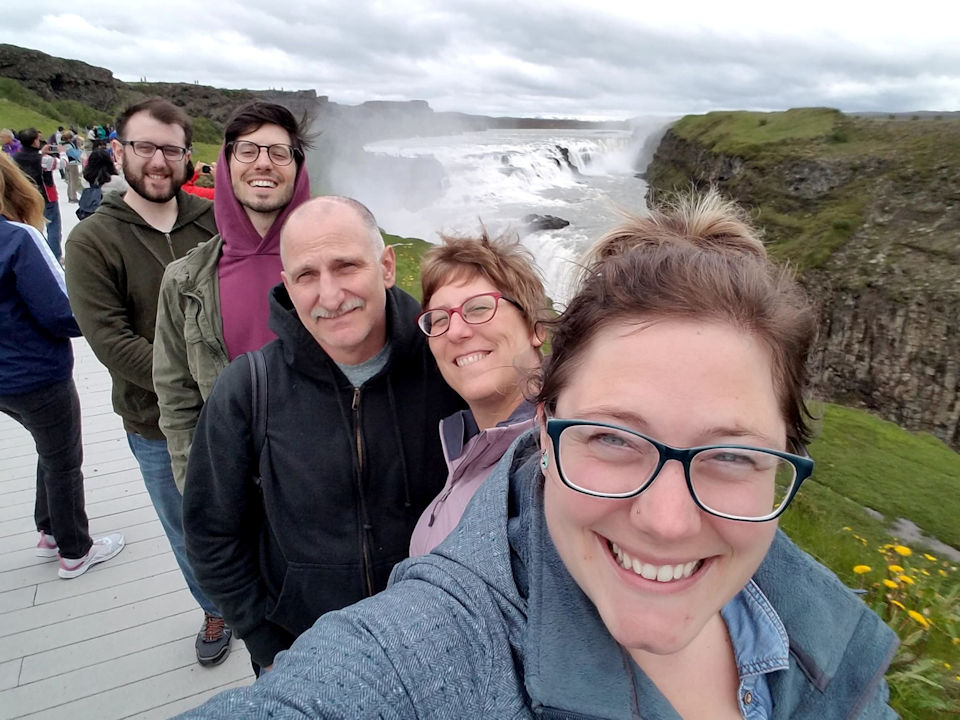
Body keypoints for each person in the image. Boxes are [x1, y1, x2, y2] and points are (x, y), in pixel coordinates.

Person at [179, 192, 897, 719]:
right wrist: (264, 636)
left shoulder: (834, 651)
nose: (670, 522)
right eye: (614, 437)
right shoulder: (450, 628)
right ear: (549, 428)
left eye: (733, 455)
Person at [181, 195, 465, 673]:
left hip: (437, 644)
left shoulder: (446, 367)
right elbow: (212, 532)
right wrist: (266, 643)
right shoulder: (249, 389)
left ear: (387, 266)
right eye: (307, 275)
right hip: (305, 651)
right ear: (287, 286)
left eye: (346, 266)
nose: (330, 296)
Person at [63, 98, 231, 667]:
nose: (158, 161)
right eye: (144, 147)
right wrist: (196, 383)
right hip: (155, 423)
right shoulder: (92, 241)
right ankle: (214, 606)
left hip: (238, 409)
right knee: (189, 526)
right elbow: (109, 342)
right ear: (118, 152)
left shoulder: (213, 219)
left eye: (171, 149)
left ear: (188, 157)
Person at [154, 100, 312, 492]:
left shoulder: (339, 270)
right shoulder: (184, 281)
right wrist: (197, 493)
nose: (263, 163)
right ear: (226, 164)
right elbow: (178, 401)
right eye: (247, 150)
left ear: (298, 168)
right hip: (237, 485)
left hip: (327, 483)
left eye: (279, 152)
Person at [0, 154, 125, 579]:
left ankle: (49, 530)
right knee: (64, 460)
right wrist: (100, 314)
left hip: (5, 382)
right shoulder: (16, 237)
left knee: (48, 449)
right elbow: (59, 313)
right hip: (35, 373)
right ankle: (75, 551)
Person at [409, 231, 548, 555]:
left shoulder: (550, 463)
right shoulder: (466, 446)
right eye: (439, 319)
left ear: (536, 328)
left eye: (479, 308)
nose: (456, 331)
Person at [13, 129, 62, 260]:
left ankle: (36, 253)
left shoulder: (15, 157)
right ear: (35, 141)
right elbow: (62, 164)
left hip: (26, 194)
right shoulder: (43, 159)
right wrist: (62, 153)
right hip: (46, 195)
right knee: (53, 226)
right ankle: (54, 255)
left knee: (32, 225)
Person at [62, 131, 82, 203]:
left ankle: (70, 196)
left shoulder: (63, 144)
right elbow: (75, 155)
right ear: (70, 138)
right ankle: (73, 197)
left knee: (70, 181)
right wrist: (79, 149)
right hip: (72, 164)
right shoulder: (69, 146)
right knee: (73, 181)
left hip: (67, 164)